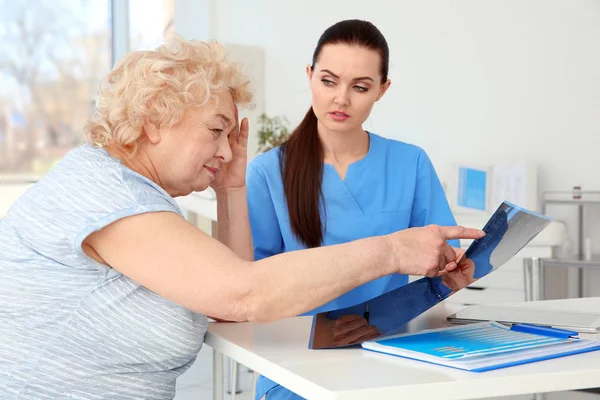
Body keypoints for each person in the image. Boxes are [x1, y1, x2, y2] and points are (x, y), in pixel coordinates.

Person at [0, 37, 483, 399]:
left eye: (232, 136)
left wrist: (231, 186)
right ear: (152, 119)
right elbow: (242, 292)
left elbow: (227, 306)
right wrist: (393, 250)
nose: (228, 149)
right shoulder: (102, 191)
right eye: (216, 131)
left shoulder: (135, 194)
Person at [246, 19, 472, 400]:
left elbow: (436, 273)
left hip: (394, 358)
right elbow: (248, 292)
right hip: (298, 363)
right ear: (310, 75)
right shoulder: (268, 172)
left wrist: (454, 274)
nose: (341, 99)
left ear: (382, 90)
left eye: (360, 87)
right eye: (329, 81)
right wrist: (316, 332)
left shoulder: (410, 163)